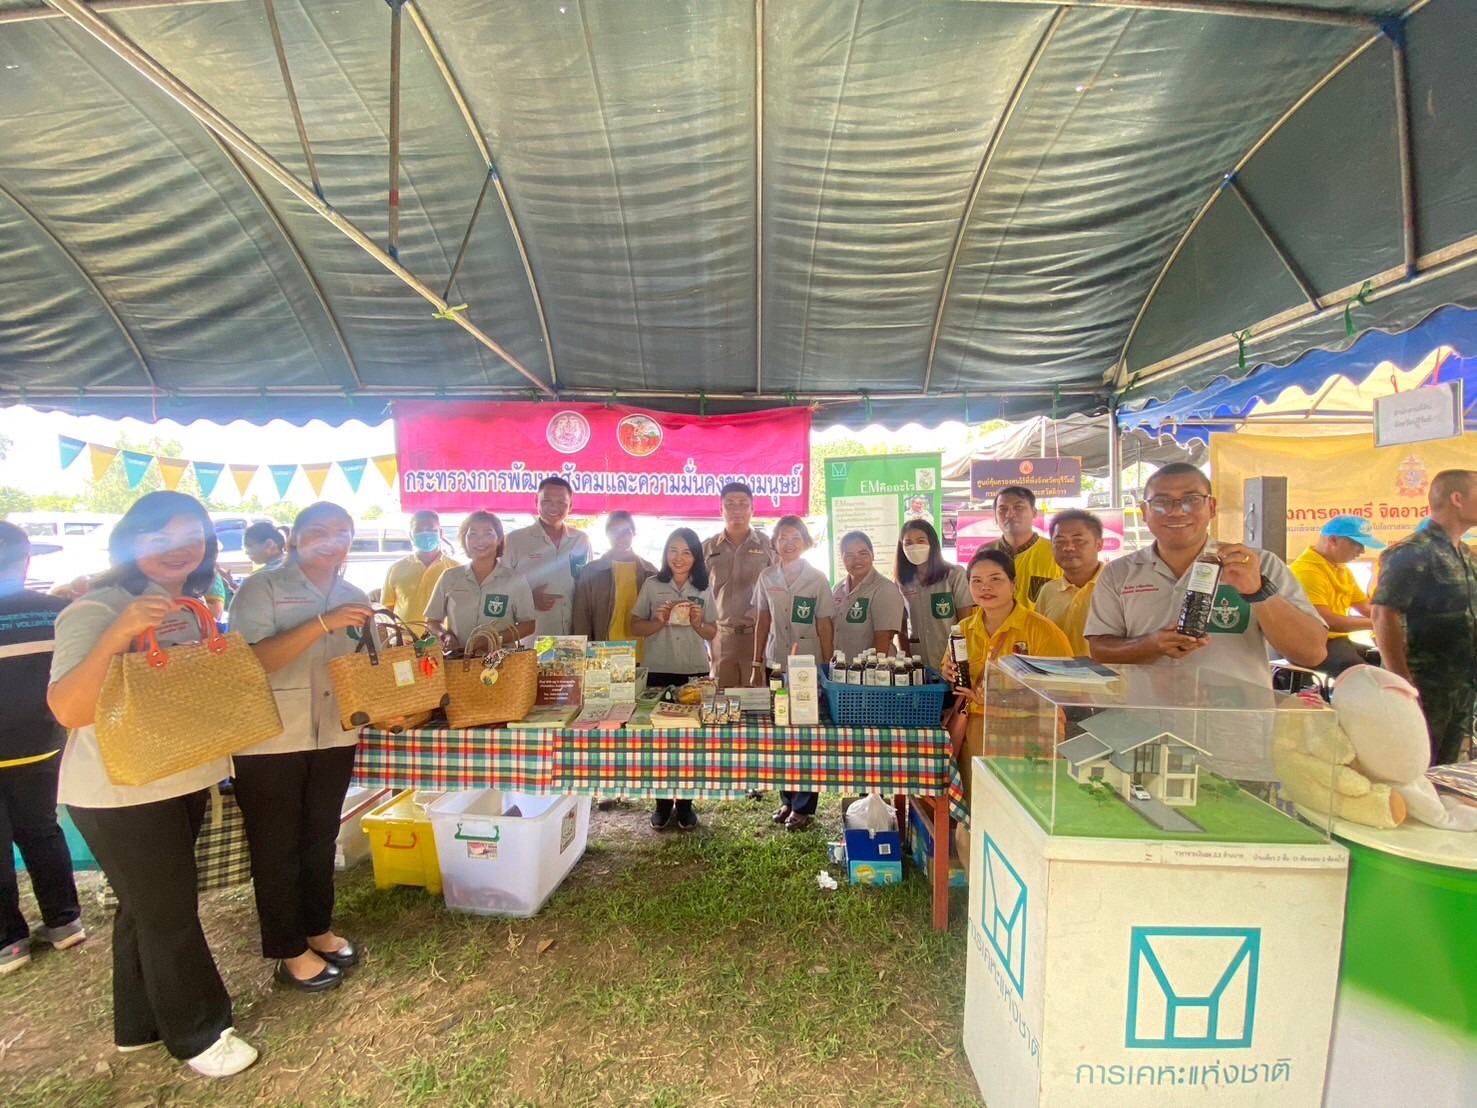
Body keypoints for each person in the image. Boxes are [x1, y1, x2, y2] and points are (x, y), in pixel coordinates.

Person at [48, 491, 257, 1077]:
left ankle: (139, 1024)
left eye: (192, 535)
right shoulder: (93, 610)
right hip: (120, 793)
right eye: (160, 536)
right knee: (168, 913)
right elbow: (68, 708)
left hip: (179, 776)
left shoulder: (188, 608)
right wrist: (117, 633)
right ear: (131, 540)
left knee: (144, 909)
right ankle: (199, 1034)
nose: (179, 548)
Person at [228, 503, 374, 993]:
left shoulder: (354, 594)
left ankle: (318, 929)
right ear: (294, 538)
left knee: (319, 836)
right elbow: (249, 661)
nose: (330, 541)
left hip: (334, 733)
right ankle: (288, 950)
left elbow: (358, 665)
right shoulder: (263, 586)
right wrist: (322, 623)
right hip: (271, 738)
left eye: (341, 532)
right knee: (276, 846)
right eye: (318, 532)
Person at [1084, 462, 1326, 688]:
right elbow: (1101, 651)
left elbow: (1311, 653)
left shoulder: (1257, 565)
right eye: (1162, 502)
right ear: (1144, 512)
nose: (1177, 512)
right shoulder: (1119, 573)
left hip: (1236, 721)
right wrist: (1151, 644)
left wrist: (1259, 592)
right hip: (1145, 720)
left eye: (1191, 499)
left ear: (1211, 507)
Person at [0, 523, 82, 975]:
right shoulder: (56, 611)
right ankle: (64, 921)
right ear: (26, 558)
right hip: (43, 742)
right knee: (43, 830)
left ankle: (9, 941)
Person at [942, 548, 1072, 807]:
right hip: (975, 733)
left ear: (1014, 584)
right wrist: (949, 673)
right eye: (976, 581)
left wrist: (1000, 699)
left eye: (995, 579)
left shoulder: (1043, 631)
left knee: (1026, 812)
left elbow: (1063, 691)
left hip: (1030, 735)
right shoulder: (963, 630)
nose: (985, 587)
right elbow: (951, 671)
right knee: (978, 809)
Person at [1372, 469, 1477, 765]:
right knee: (1413, 767)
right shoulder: (1413, 551)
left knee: (1446, 769)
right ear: (1457, 499)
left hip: (1461, 684)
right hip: (1424, 684)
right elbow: (1383, 613)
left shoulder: (1465, 554)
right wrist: (1402, 681)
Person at [629, 528, 718, 831]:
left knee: (691, 741)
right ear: (666, 554)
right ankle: (662, 803)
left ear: (696, 557)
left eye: (686, 552)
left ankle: (687, 805)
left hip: (694, 670)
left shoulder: (703, 587)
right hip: (659, 670)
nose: (679, 558)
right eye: (673, 551)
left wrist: (697, 622)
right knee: (659, 741)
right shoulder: (654, 585)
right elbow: (635, 627)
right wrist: (658, 622)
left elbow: (712, 632)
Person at [753, 516, 835, 831]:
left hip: (807, 666)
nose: (788, 543)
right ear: (774, 543)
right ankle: (786, 799)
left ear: (805, 542)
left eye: (795, 537)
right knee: (780, 730)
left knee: (805, 733)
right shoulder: (766, 576)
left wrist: (828, 667)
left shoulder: (817, 578)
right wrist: (756, 662)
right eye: (782, 537)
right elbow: (762, 620)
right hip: (776, 661)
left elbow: (825, 622)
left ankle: (803, 806)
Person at [1289, 516, 1386, 677]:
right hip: (1308, 643)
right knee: (1363, 675)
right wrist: (1378, 623)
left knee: (1383, 663)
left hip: (1335, 641)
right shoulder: (1307, 572)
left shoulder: (1340, 569)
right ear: (1333, 540)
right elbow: (1327, 621)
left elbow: (1365, 606)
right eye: (1357, 544)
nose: (1361, 551)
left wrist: (1395, 618)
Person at [425, 512, 536, 651]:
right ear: (464, 539)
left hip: (502, 664)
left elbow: (528, 625)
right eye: (473, 534)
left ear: (499, 539)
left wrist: (495, 639)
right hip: (458, 662)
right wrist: (445, 636)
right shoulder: (449, 577)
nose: (480, 540)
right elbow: (432, 622)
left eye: (488, 533)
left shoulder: (515, 580)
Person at [702, 482, 775, 689]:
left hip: (758, 637)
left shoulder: (768, 546)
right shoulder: (707, 549)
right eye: (730, 504)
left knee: (757, 701)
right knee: (721, 701)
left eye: (743, 504)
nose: (736, 510)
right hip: (721, 637)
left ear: (752, 509)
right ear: (721, 509)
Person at [505, 477, 593, 637]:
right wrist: (528, 600)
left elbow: (590, 584)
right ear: (536, 501)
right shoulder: (515, 540)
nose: (554, 507)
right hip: (532, 637)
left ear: (570, 505)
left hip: (574, 636)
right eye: (547, 501)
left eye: (561, 502)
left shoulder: (581, 539)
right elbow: (499, 589)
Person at [572, 511, 657, 657]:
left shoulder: (650, 572)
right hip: (603, 653)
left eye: (626, 532)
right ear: (607, 534)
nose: (620, 537)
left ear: (634, 534)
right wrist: (584, 654)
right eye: (614, 532)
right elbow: (581, 618)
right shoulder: (591, 572)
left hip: (643, 654)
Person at [894, 519, 973, 675]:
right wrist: (907, 657)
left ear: (932, 543)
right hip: (919, 661)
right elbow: (900, 627)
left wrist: (960, 657)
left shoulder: (954, 574)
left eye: (920, 541)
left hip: (952, 659)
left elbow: (967, 623)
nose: (914, 546)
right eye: (908, 543)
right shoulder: (902, 582)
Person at [1034, 509, 1105, 655]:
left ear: (1099, 544)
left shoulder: (1117, 587)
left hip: (1106, 677)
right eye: (1059, 542)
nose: (1068, 547)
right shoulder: (1048, 591)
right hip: (1055, 677)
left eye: (1078, 540)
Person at [832, 531, 905, 660]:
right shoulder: (837, 589)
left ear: (873, 555)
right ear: (842, 559)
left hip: (871, 672)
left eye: (863, 553)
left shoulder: (885, 589)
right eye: (849, 555)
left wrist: (874, 672)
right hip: (841, 670)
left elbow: (884, 638)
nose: (856, 560)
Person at [985, 485, 1060, 608]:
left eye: (1018, 507)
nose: (1010, 514)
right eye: (1003, 509)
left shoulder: (1056, 553)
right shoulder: (985, 552)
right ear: (995, 517)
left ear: (1034, 512)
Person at [382, 510, 457, 626]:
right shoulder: (396, 569)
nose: (425, 535)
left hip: (444, 640)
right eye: (419, 530)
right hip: (405, 641)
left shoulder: (456, 569)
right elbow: (387, 607)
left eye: (432, 530)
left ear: (441, 534)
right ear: (411, 535)